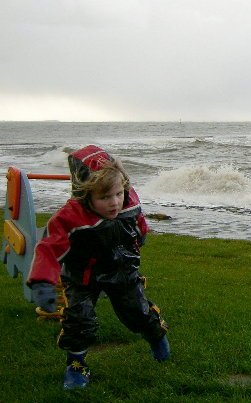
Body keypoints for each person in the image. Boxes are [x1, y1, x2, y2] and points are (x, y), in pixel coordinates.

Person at [27, 145, 170, 390]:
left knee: (136, 312)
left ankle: (156, 336)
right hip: (82, 275)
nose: (114, 202)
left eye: (117, 194)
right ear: (86, 196)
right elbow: (48, 247)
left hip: (120, 269)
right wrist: (42, 281)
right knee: (79, 319)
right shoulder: (69, 218)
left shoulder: (128, 202)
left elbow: (139, 222)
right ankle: (76, 364)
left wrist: (140, 239)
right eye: (104, 198)